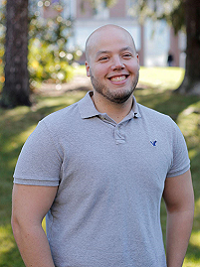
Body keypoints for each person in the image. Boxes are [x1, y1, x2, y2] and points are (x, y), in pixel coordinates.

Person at [12, 24, 194, 267]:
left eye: (126, 55)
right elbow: (24, 220)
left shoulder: (167, 130)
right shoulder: (52, 132)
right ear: (88, 69)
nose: (118, 64)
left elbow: (181, 206)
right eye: (104, 58)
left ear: (137, 61)